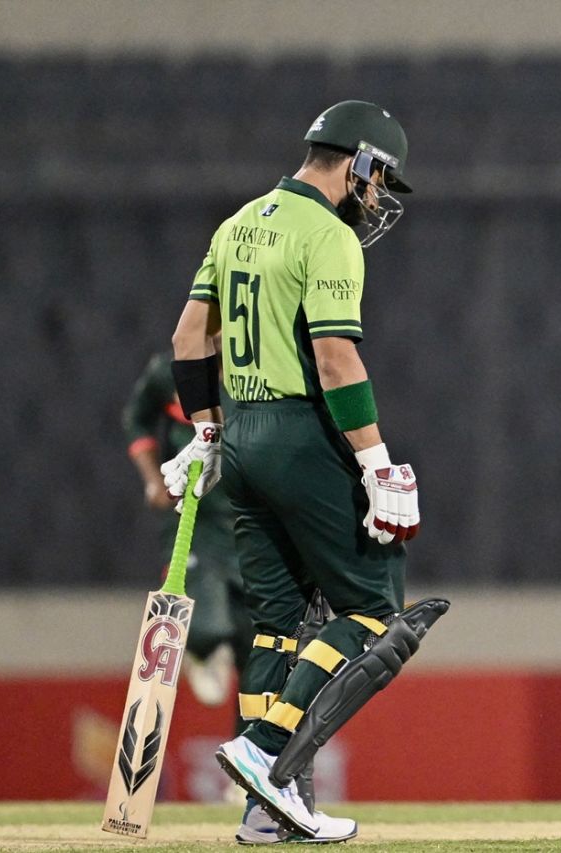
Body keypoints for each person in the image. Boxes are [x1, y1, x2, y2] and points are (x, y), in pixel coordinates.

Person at [160, 100, 425, 844]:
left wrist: (207, 431)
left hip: (240, 435)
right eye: (380, 179)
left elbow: (189, 336)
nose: (378, 198)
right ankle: (267, 753)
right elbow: (337, 357)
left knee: (276, 627)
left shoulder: (238, 221)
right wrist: (374, 461)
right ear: (360, 161)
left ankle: (261, 812)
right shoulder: (328, 236)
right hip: (297, 435)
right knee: (373, 609)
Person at [123, 349, 251, 717]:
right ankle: (205, 648)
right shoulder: (172, 372)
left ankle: (250, 768)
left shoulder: (274, 371)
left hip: (253, 526)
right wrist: (152, 480)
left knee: (259, 654)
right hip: (194, 520)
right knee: (204, 626)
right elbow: (137, 417)